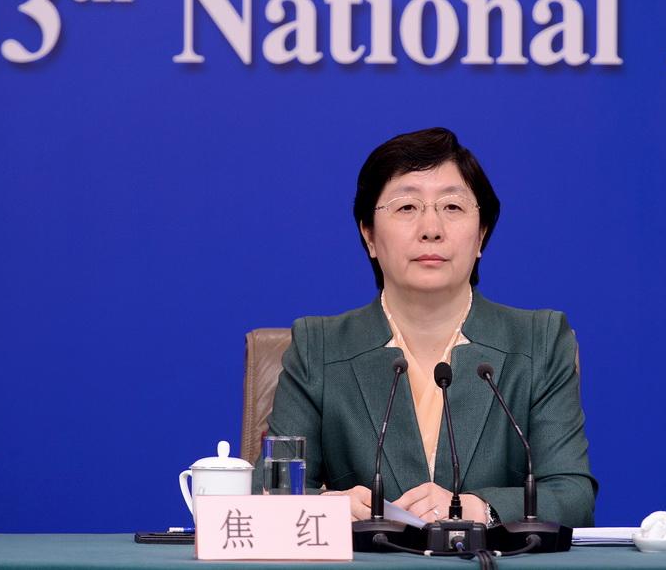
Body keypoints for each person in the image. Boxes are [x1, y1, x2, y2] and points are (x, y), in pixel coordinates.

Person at [256, 127, 597, 528]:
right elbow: (269, 494)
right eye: (406, 207)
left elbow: (572, 495)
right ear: (369, 235)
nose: (431, 228)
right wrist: (329, 507)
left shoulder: (539, 341)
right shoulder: (319, 347)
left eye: (452, 207)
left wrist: (480, 509)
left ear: (481, 234)